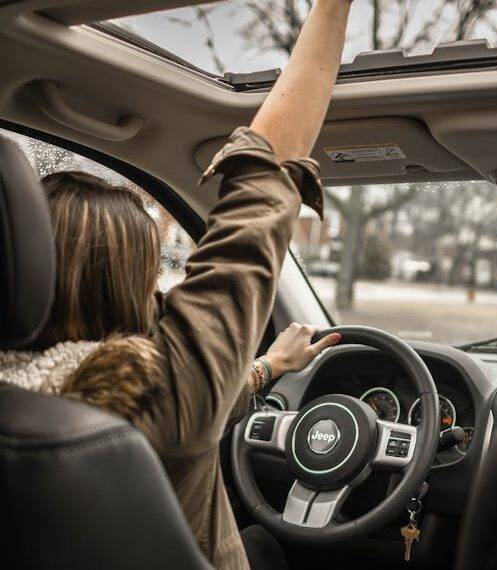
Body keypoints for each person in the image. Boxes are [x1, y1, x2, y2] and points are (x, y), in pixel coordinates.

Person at [0, 1, 354, 568]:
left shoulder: (21, 405)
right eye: (149, 276)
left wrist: (265, 369)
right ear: (128, 286)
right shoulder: (148, 399)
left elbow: (202, 386)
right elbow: (264, 185)